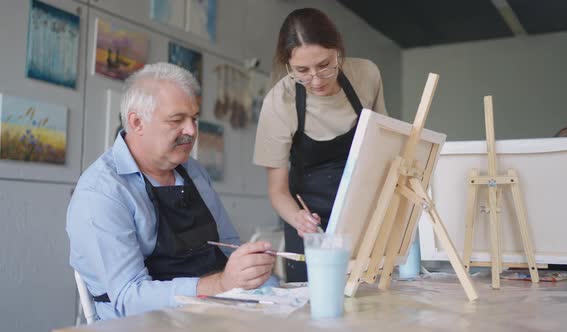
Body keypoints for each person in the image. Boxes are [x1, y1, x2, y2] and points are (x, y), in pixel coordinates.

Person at [67, 63, 275, 320]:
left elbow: (228, 247)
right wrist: (220, 285)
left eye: (194, 119)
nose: (191, 130)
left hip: (214, 314)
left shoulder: (194, 172)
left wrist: (253, 268)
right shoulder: (102, 193)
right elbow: (129, 299)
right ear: (137, 122)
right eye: (177, 120)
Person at [253, 8, 388, 282]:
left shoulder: (366, 76)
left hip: (362, 214)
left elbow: (384, 148)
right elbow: (278, 192)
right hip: (308, 221)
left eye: (325, 65)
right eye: (302, 71)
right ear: (288, 65)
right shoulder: (279, 103)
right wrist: (299, 219)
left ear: (337, 50)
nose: (315, 80)